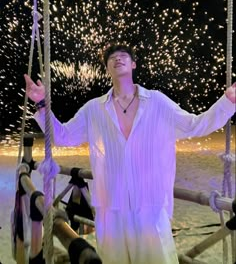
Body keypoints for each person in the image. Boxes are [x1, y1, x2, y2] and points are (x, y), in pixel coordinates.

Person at [24, 44, 236, 264]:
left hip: (150, 206)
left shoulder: (157, 102)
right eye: (112, 57)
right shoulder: (93, 109)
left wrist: (227, 103)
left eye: (123, 56)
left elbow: (194, 125)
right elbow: (63, 136)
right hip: (110, 209)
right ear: (106, 67)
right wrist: (41, 104)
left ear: (133, 64)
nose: (117, 59)